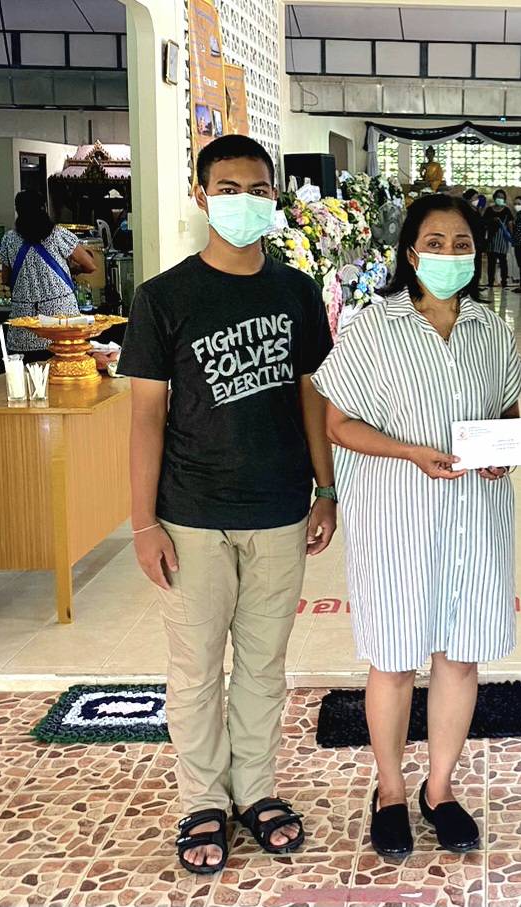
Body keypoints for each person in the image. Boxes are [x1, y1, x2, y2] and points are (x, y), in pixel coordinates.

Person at [118, 134, 337, 876]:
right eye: (229, 187)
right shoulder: (163, 297)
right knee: (195, 669)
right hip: (190, 515)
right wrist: (143, 523)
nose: (245, 200)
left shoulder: (297, 292)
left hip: (279, 508)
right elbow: (145, 418)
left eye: (259, 189)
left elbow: (313, 399)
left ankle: (256, 791)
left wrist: (326, 488)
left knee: (264, 667)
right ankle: (202, 800)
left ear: (275, 198)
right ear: (202, 195)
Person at [312, 194, 521, 859]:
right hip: (397, 517)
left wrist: (503, 449)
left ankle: (440, 788)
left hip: (474, 517)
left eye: (462, 244)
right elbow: (337, 424)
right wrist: (410, 452)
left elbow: (507, 410)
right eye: (435, 243)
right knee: (395, 658)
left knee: (460, 655)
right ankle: (390, 790)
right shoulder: (374, 328)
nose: (449, 255)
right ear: (411, 253)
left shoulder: (490, 330)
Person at [0, 189, 97, 361]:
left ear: (18, 210)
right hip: (61, 325)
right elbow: (90, 265)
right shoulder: (58, 234)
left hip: (25, 327)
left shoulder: (9, 239)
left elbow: (6, 279)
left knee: (27, 374)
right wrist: (72, 270)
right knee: (66, 371)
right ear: (43, 207)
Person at [483, 189, 514, 289]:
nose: (500, 199)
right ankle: (490, 282)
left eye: (502, 197)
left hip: (502, 239)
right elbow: (484, 222)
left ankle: (504, 281)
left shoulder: (506, 210)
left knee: (503, 261)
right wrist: (491, 221)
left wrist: (512, 236)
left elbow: (510, 224)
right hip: (491, 238)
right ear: (494, 198)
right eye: (498, 197)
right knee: (491, 262)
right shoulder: (489, 210)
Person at [462, 187, 486, 290]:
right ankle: (469, 285)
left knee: (477, 264)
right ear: (469, 199)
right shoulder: (466, 212)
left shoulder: (476, 210)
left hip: (478, 241)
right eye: (475, 198)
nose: (477, 200)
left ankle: (475, 284)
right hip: (471, 241)